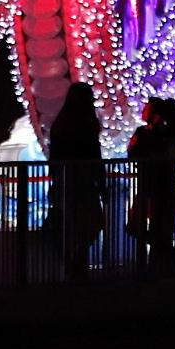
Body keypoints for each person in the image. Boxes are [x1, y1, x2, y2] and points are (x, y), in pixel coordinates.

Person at [46, 81, 105, 282]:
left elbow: (54, 155)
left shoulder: (61, 123)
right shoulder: (87, 124)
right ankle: (77, 264)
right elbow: (95, 154)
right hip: (83, 181)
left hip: (65, 180)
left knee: (73, 225)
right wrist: (101, 182)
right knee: (90, 223)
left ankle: (74, 265)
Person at [126, 97, 175, 273]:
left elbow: (132, 153)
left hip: (153, 185)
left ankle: (152, 263)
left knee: (146, 225)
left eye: (147, 108)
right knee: (145, 225)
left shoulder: (155, 133)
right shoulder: (163, 134)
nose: (143, 111)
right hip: (155, 184)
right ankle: (161, 255)